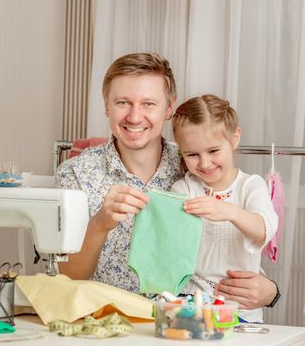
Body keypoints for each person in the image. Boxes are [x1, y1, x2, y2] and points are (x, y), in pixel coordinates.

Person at [56, 52, 280, 310]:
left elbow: (232, 234)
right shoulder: (76, 174)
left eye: (148, 104)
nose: (135, 116)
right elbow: (66, 278)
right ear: (106, 105)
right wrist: (99, 224)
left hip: (185, 321)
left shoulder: (196, 163)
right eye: (123, 102)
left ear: (169, 108)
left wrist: (270, 291)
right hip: (107, 321)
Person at [170, 94, 278, 322]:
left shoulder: (251, 185)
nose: (204, 163)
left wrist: (228, 211)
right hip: (193, 305)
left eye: (213, 151)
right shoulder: (183, 189)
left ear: (235, 138)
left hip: (242, 310)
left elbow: (264, 228)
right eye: (192, 154)